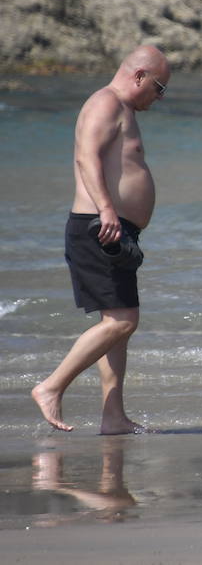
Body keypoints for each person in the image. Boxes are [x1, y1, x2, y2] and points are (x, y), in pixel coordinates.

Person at [31, 45, 171, 433]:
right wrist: (108, 209)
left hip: (117, 230)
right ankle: (51, 386)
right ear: (139, 76)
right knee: (123, 321)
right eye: (159, 87)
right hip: (99, 227)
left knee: (118, 324)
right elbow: (86, 157)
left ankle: (113, 416)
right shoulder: (105, 102)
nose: (160, 97)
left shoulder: (124, 110)